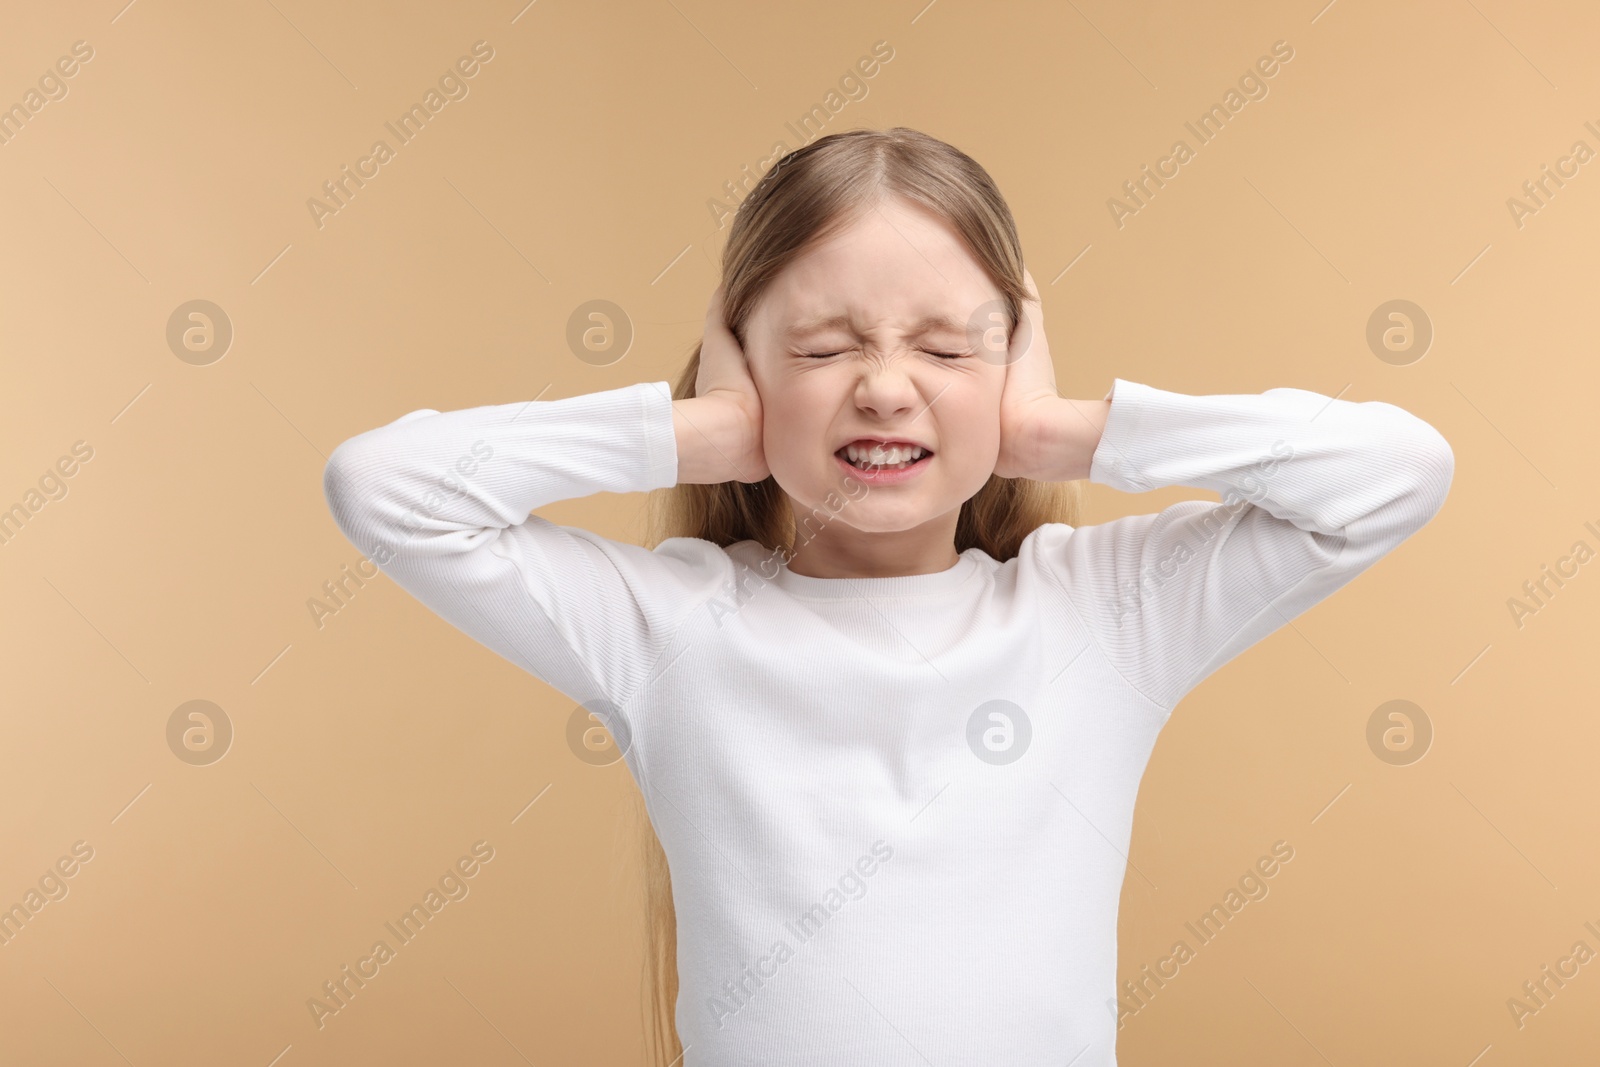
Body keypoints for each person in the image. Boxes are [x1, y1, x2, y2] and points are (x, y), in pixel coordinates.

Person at [321, 127, 1454, 1066]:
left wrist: (1060, 432)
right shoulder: (669, 626)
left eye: (947, 350)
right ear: (743, 367)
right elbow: (385, 487)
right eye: (819, 347)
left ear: (1015, 365)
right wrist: (692, 436)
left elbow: (1392, 475)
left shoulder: (1104, 615)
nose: (882, 387)